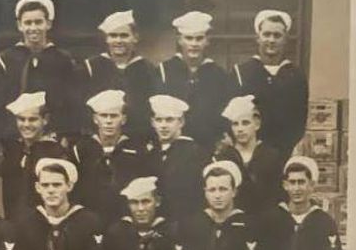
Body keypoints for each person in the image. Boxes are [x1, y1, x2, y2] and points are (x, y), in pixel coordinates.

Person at [0, 0, 78, 136]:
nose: (33, 28)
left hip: (52, 133)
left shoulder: (62, 59)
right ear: (20, 25)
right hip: (14, 134)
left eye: (38, 22)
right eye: (28, 23)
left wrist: (63, 134)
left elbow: (69, 104)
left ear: (48, 24)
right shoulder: (6, 59)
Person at [232, 10, 309, 154]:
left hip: (285, 152)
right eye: (266, 34)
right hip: (251, 153)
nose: (271, 40)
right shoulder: (241, 73)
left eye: (277, 35)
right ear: (258, 38)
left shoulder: (296, 76)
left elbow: (300, 119)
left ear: (285, 39)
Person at [157, 11, 233, 152]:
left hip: (208, 146)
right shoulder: (164, 71)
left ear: (207, 41)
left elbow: (224, 112)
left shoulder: (218, 74)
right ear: (180, 40)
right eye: (189, 38)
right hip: (173, 146)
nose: (194, 44)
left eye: (199, 39)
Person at [80, 10, 160, 140]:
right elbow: (82, 105)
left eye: (124, 35)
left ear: (135, 37)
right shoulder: (91, 67)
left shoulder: (147, 69)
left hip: (138, 137)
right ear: (106, 38)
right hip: (100, 138)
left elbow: (152, 108)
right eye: (113, 35)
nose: (118, 40)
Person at [72, 89, 148, 222]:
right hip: (89, 218)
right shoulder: (81, 149)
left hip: (125, 219)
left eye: (114, 116)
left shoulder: (136, 150)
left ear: (123, 119)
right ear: (95, 119)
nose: (108, 121)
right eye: (103, 115)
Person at [0, 92, 71, 214]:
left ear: (45, 120)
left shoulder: (54, 152)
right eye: (21, 119)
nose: (26, 125)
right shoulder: (13, 151)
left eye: (32, 119)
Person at [213, 95, 284, 214]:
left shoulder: (271, 155)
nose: (240, 129)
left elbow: (277, 193)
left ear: (257, 124)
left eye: (245, 123)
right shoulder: (225, 156)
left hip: (265, 219)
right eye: (235, 124)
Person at [145, 94, 207, 224]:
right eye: (159, 120)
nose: (163, 125)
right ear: (152, 122)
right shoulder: (150, 153)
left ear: (181, 122)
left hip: (186, 220)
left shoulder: (194, 152)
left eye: (169, 120)